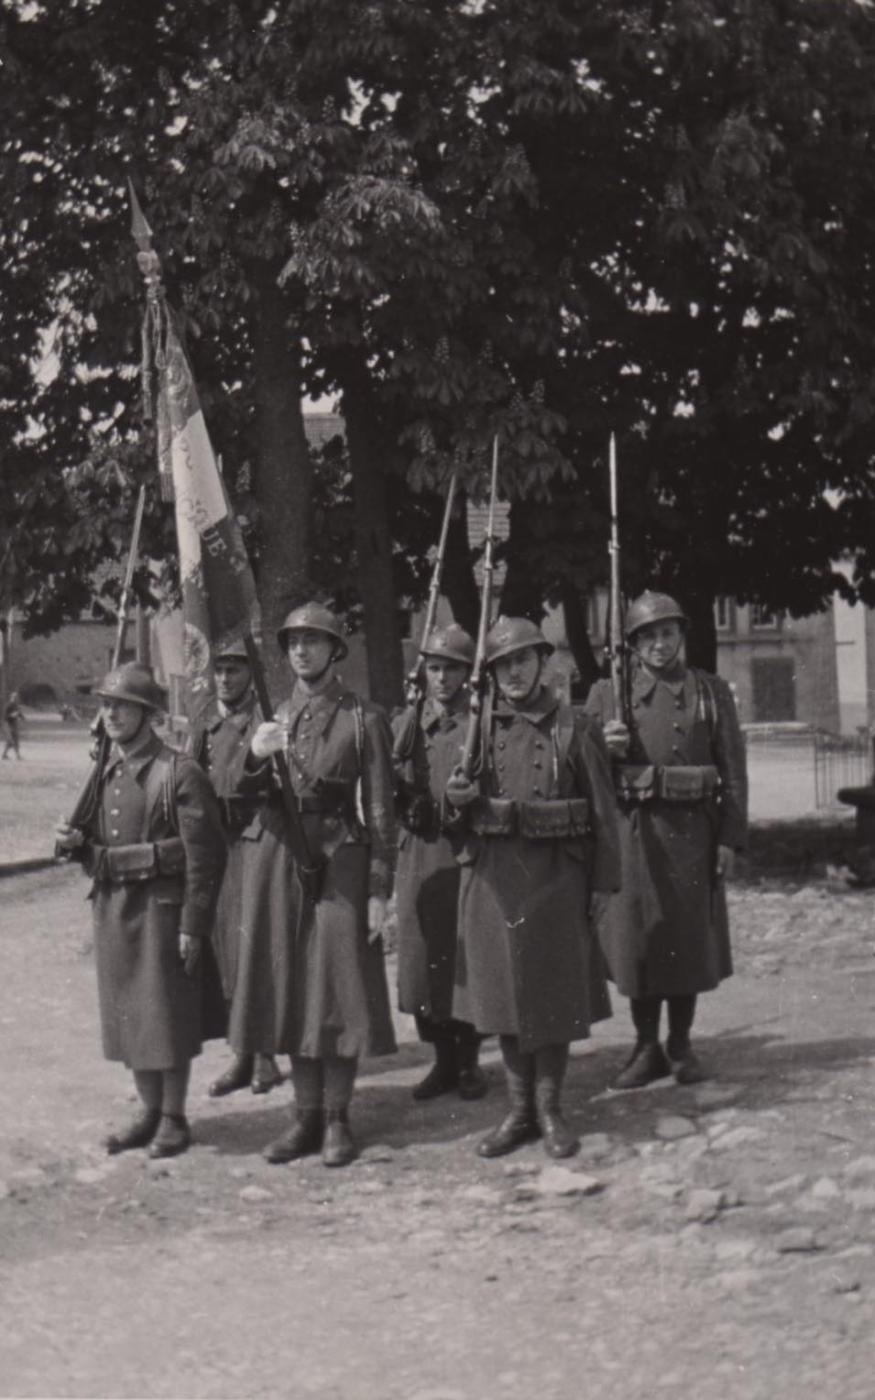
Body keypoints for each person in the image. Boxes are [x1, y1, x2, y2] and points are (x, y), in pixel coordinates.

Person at [446, 617, 620, 1160]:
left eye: (522, 660)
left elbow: (603, 816)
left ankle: (550, 1109)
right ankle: (518, 1109)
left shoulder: (575, 726)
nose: (513, 672)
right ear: (491, 673)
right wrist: (456, 797)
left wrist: (603, 884)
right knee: (503, 997)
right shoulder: (477, 731)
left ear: (542, 662)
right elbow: (452, 821)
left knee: (551, 997)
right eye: (502, 664)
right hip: (494, 878)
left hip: (555, 879)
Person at [232, 603, 397, 1168]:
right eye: (294, 642)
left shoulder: (361, 718)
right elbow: (241, 795)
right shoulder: (273, 716)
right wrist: (256, 758)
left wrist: (379, 885)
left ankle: (337, 1118)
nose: (301, 651)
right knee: (294, 986)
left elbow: (378, 808)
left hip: (339, 859)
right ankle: (302, 1116)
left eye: (313, 641)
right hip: (280, 858)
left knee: (337, 985)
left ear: (335, 650)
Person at [55, 663, 226, 1158]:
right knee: (130, 1015)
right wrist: (73, 842)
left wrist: (194, 926)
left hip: (161, 909)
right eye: (105, 705)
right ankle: (149, 1112)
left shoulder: (177, 771)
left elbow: (206, 857)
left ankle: (174, 1116)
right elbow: (92, 842)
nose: (110, 714)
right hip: (115, 907)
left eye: (122, 706)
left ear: (147, 714)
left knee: (167, 1016)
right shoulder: (106, 768)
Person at [583, 590, 748, 1088]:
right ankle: (645, 1045)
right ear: (632, 645)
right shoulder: (608, 695)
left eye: (668, 633)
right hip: (635, 835)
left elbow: (733, 773)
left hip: (694, 835)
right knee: (639, 941)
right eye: (648, 636)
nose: (660, 644)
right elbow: (579, 772)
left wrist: (729, 839)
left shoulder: (709, 692)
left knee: (686, 940)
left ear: (681, 636)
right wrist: (600, 745)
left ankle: (680, 1044)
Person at [392, 623, 486, 1103]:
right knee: (420, 957)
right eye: (434, 668)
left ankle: (468, 1061)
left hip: (466, 854)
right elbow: (383, 783)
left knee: (464, 957)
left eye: (452, 669)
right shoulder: (406, 722)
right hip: (418, 853)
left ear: (468, 674)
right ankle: (441, 1060)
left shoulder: (481, 725)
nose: (443, 678)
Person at [187, 643, 282, 1098]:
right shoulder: (205, 720)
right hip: (215, 844)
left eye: (234, 669)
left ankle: (263, 1054)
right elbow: (188, 774)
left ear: (250, 672)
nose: (225, 678)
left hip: (253, 839)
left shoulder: (264, 719)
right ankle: (240, 1054)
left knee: (252, 947)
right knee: (222, 949)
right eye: (220, 670)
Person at [2, 691, 23, 758]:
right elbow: (5, 717)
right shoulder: (8, 705)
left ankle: (17, 755)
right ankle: (5, 754)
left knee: (16, 740)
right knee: (10, 741)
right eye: (15, 697)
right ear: (11, 698)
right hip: (7, 724)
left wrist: (22, 718)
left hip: (14, 724)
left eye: (17, 698)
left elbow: (19, 714)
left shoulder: (16, 706)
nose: (16, 699)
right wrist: (12, 715)